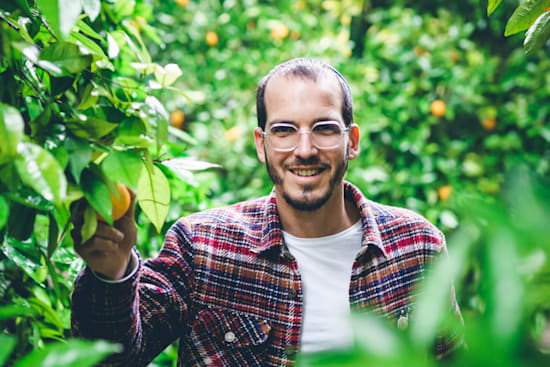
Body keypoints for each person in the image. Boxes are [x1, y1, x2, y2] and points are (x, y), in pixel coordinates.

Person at [71, 58, 461, 366]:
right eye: (284, 130)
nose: (304, 149)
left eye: (324, 128)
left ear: (351, 141)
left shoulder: (417, 247)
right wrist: (111, 274)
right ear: (262, 144)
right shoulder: (203, 247)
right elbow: (110, 360)